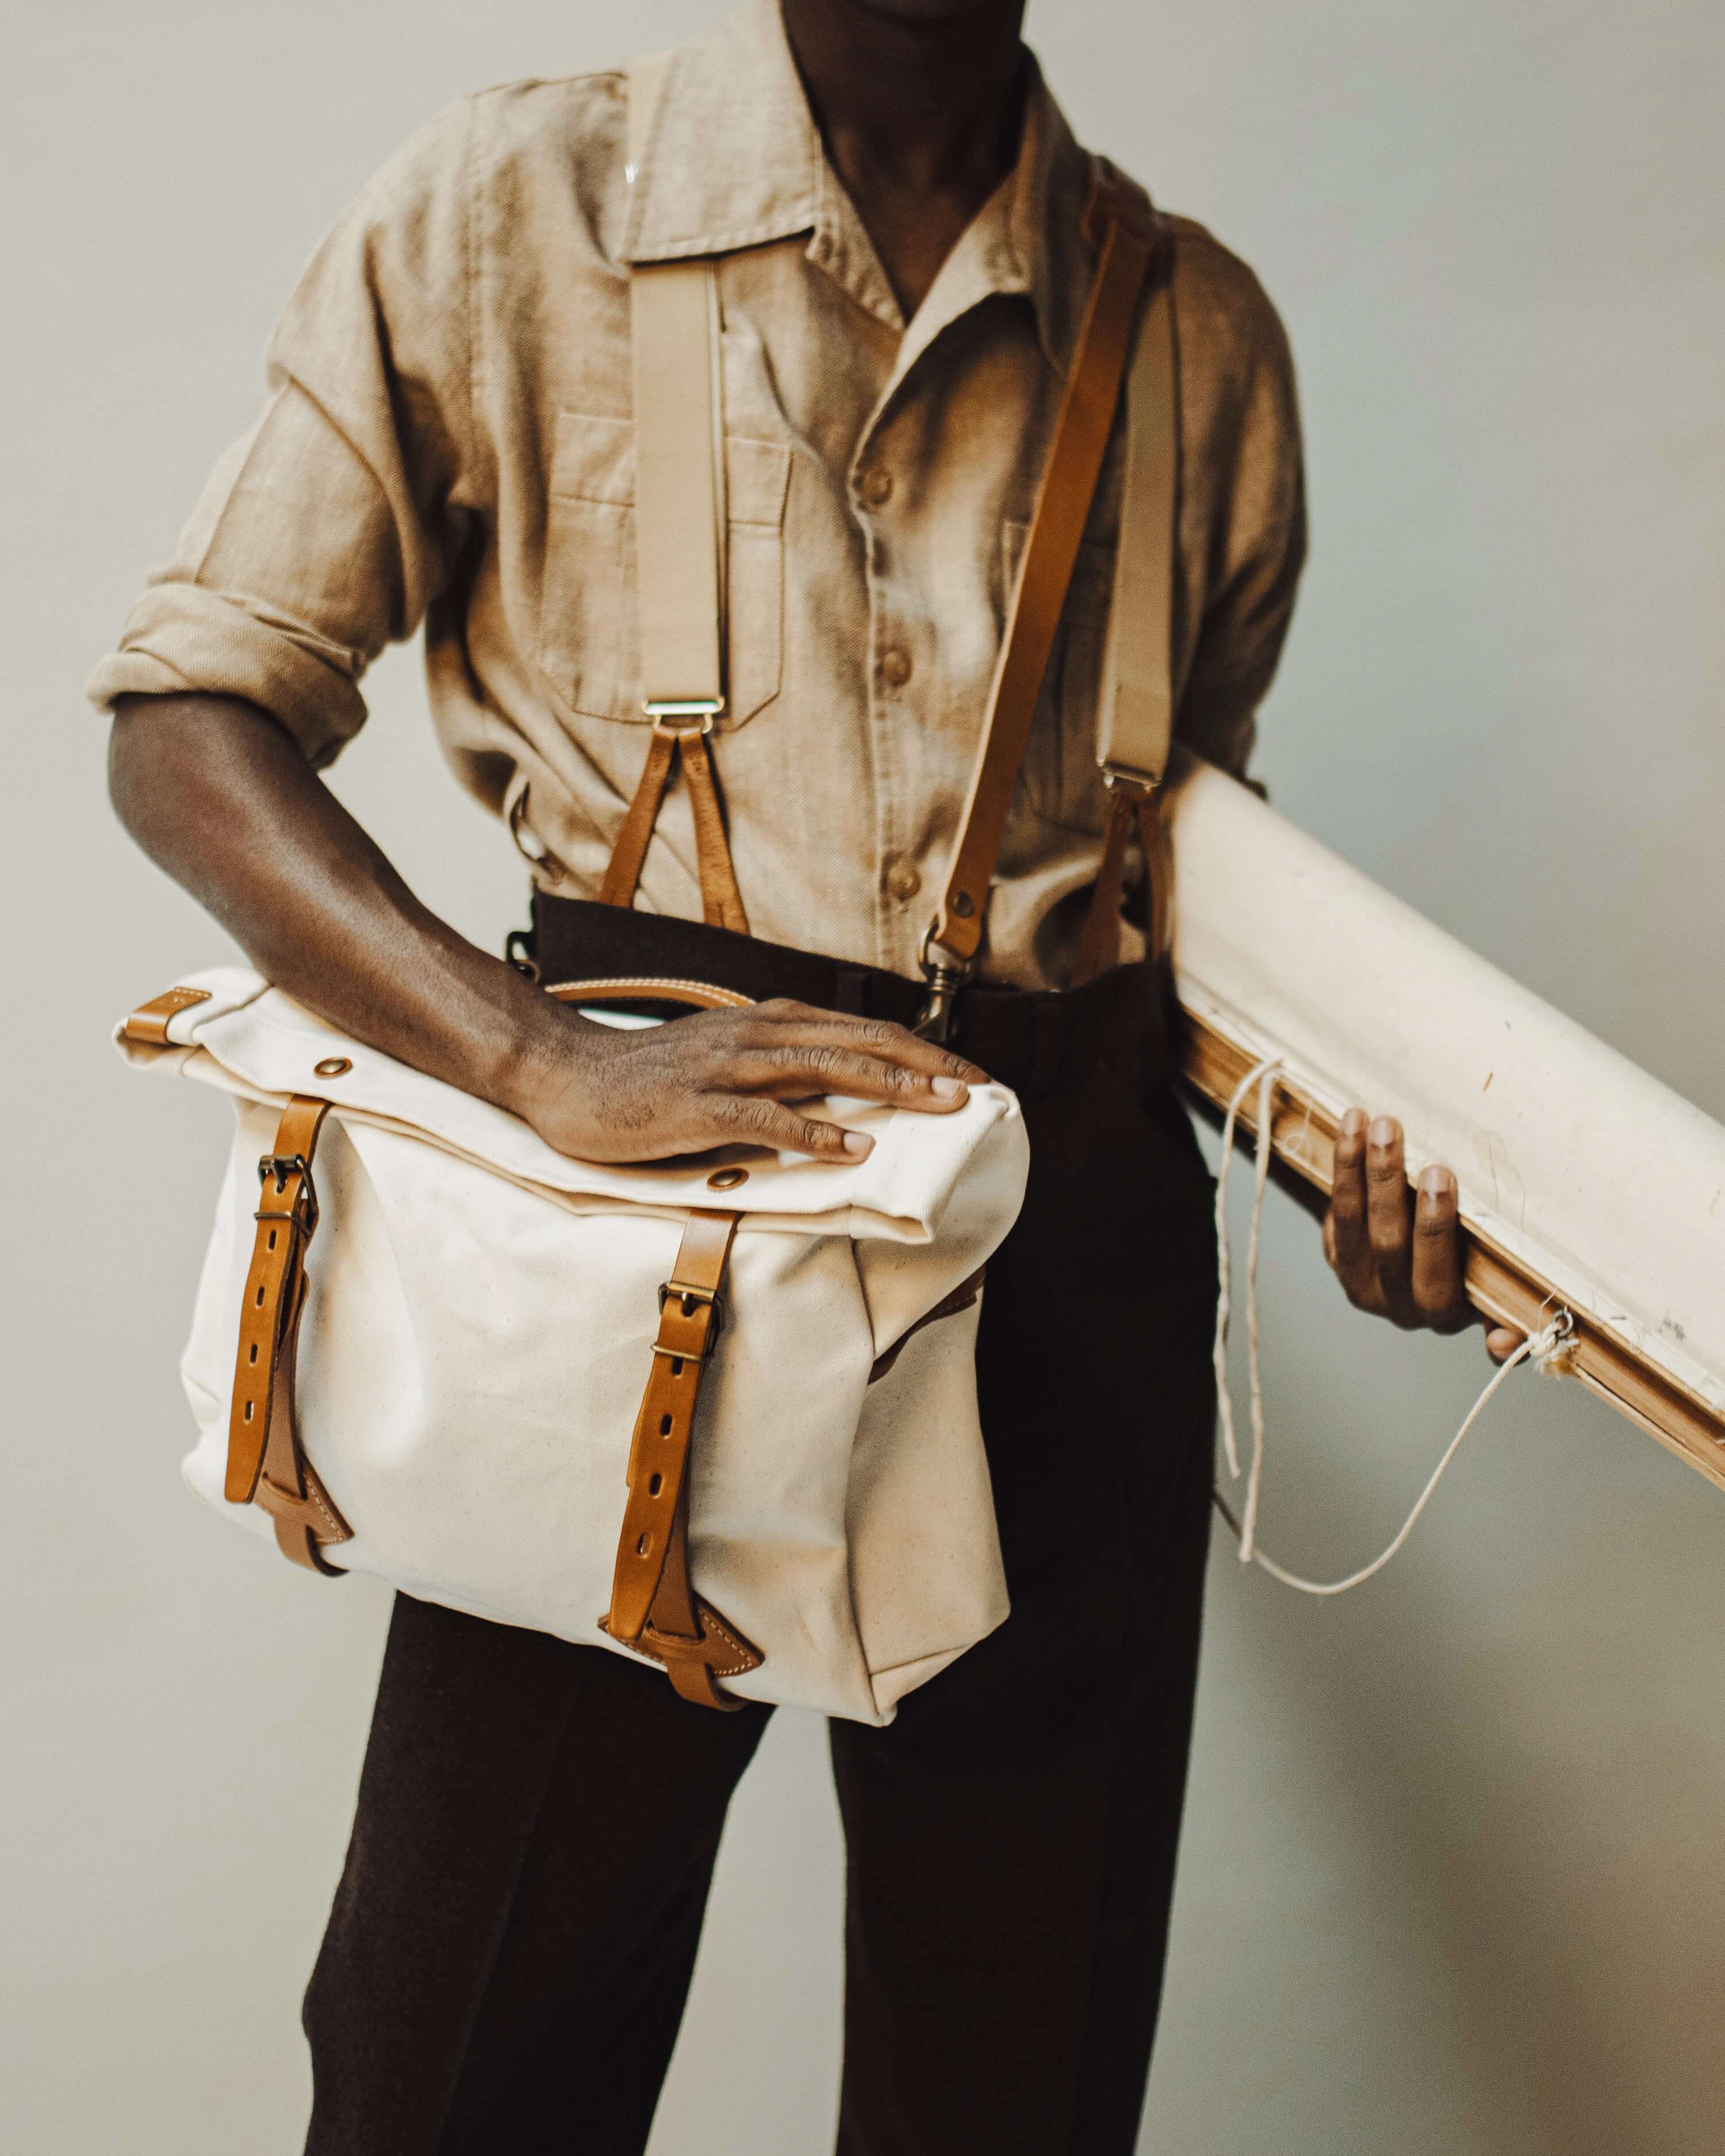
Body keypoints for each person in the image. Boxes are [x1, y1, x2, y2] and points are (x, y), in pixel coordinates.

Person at [93, 2, 1519, 2149]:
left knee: (1013, 2100)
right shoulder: (515, 201)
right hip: (637, 1251)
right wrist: (527, 1060)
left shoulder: (1199, 332)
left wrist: (1367, 1184)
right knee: (452, 2076)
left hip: (1077, 1262)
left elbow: (1179, 897)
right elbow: (186, 719)